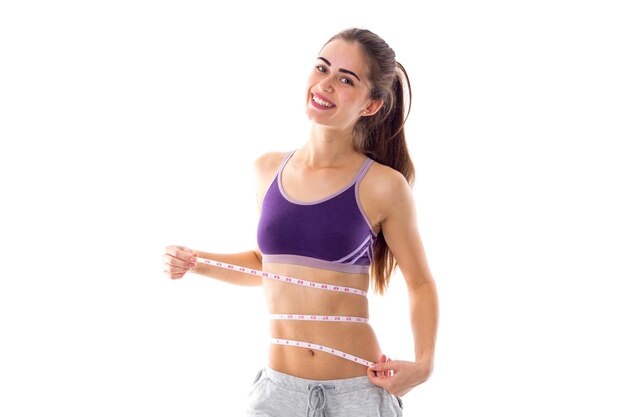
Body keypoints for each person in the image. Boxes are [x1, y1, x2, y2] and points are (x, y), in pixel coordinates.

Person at [163, 27, 439, 417]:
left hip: (355, 392)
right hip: (278, 395)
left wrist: (424, 364)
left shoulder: (383, 186)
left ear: (371, 105)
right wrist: (196, 261)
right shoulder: (268, 170)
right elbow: (267, 265)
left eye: (346, 79)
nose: (325, 84)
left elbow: (421, 282)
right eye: (322, 68)